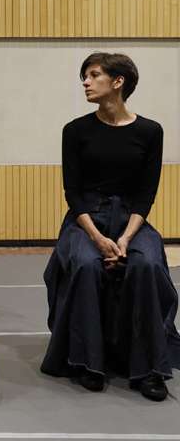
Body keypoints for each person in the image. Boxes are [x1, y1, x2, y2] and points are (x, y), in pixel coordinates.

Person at [41, 52, 180, 401]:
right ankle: (89, 363)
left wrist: (126, 238)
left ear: (118, 82)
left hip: (132, 219)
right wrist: (100, 239)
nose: (85, 82)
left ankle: (149, 370)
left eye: (93, 75)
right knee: (86, 265)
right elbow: (72, 192)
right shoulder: (75, 131)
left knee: (147, 264)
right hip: (86, 219)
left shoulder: (150, 131)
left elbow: (146, 193)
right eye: (84, 77)